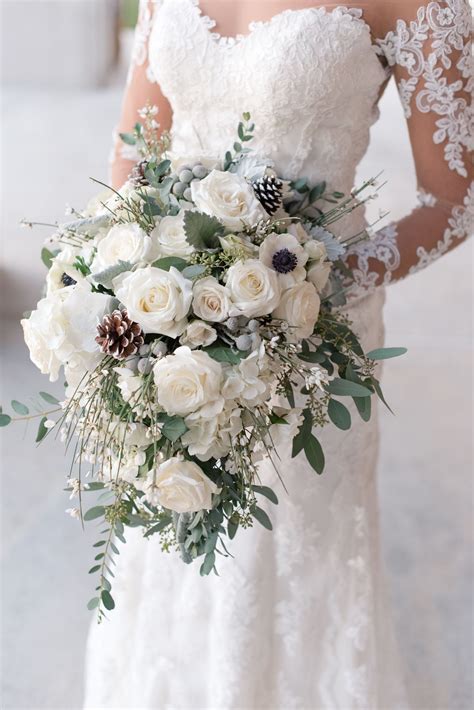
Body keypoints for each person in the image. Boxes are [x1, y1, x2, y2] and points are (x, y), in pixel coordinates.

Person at [84, 1, 472, 707]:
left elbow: (452, 198)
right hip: (168, 319)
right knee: (173, 520)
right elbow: (135, 148)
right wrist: (147, 270)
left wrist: (311, 283)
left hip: (309, 334)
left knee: (293, 543)